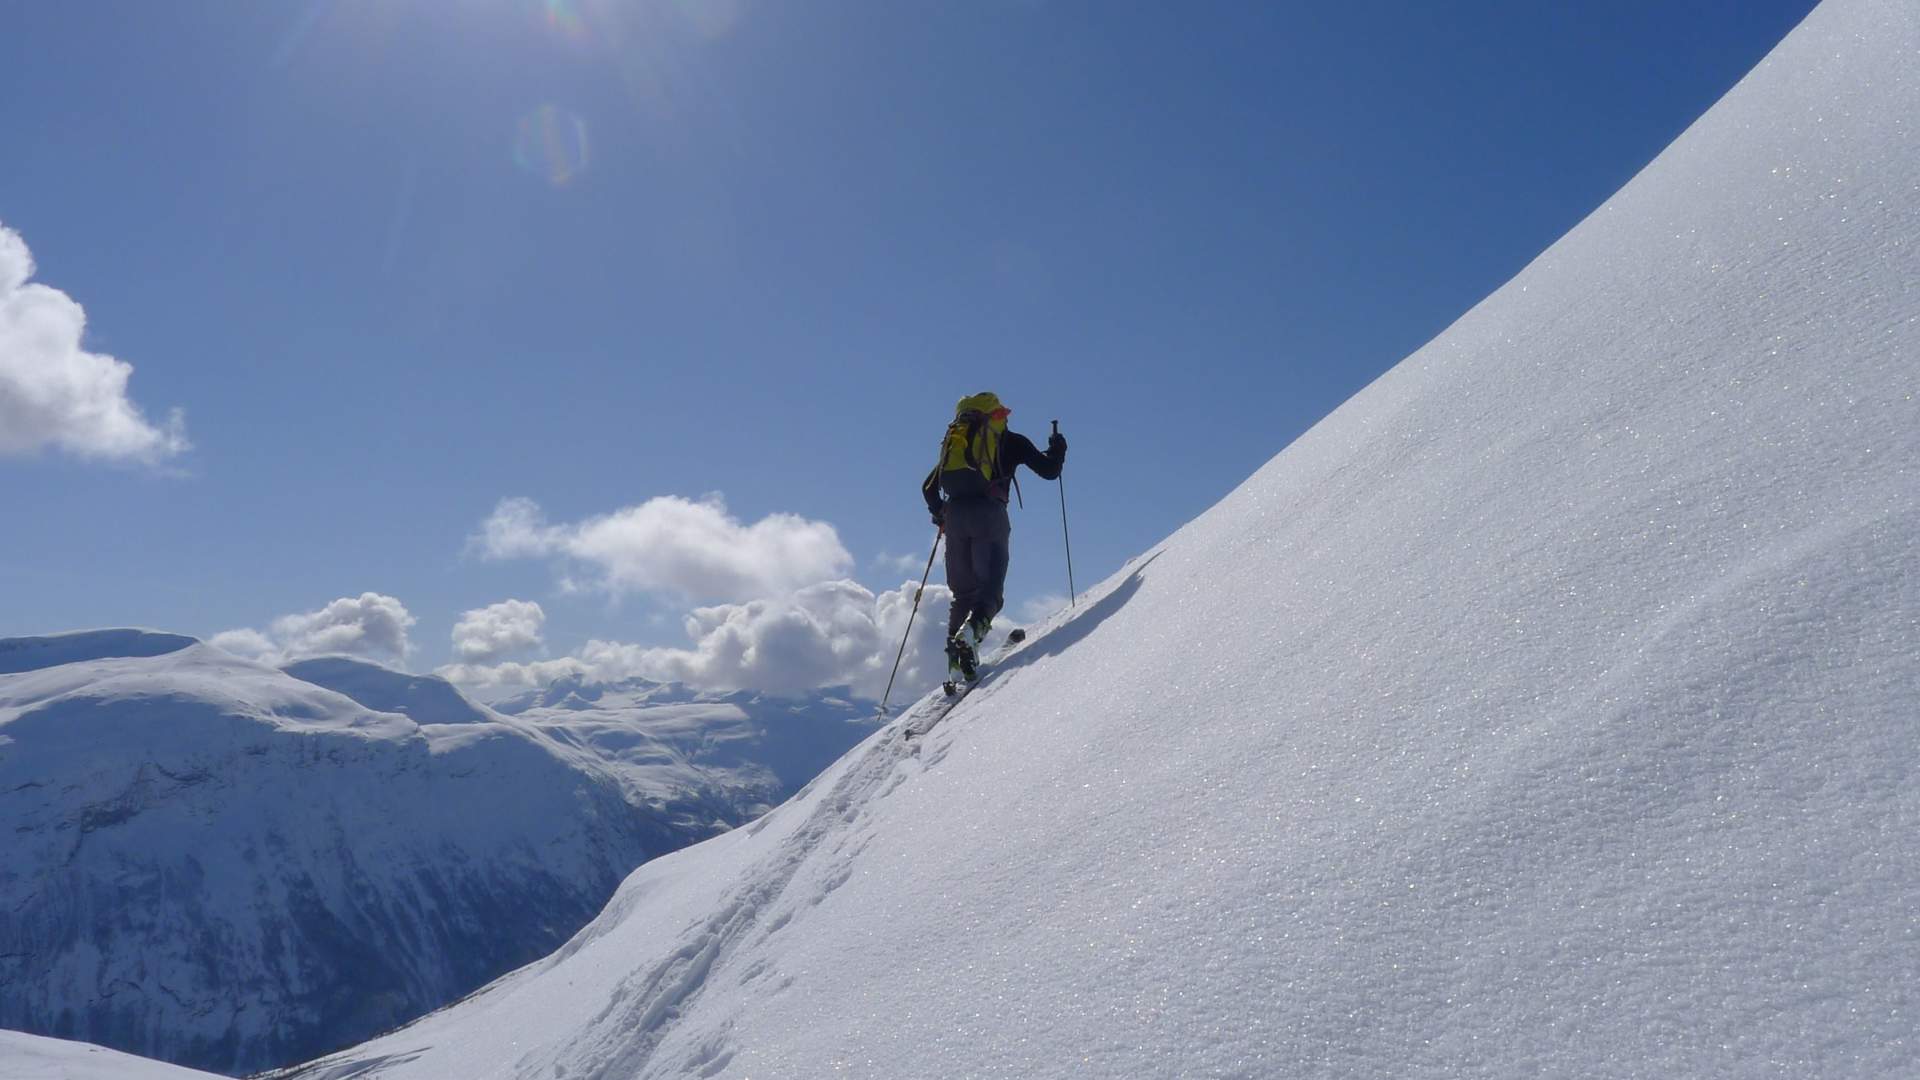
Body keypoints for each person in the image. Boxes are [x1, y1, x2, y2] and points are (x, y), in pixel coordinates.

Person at [921, 391, 1066, 682]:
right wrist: (1058, 449)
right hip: (990, 515)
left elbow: (928, 488)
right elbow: (1050, 471)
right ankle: (972, 632)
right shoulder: (1011, 441)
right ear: (998, 414)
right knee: (991, 590)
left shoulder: (956, 445)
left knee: (963, 592)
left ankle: (955, 659)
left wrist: (941, 515)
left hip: (956, 518)